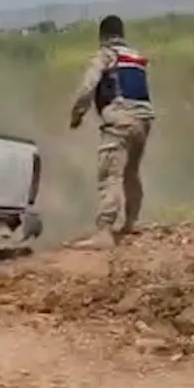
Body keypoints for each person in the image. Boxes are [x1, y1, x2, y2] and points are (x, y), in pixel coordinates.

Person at [68, 15, 155, 249]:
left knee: (110, 173)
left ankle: (104, 231)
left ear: (102, 37)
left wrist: (77, 114)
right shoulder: (135, 56)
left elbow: (88, 87)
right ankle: (132, 222)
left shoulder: (106, 55)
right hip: (144, 119)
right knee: (131, 171)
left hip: (120, 118)